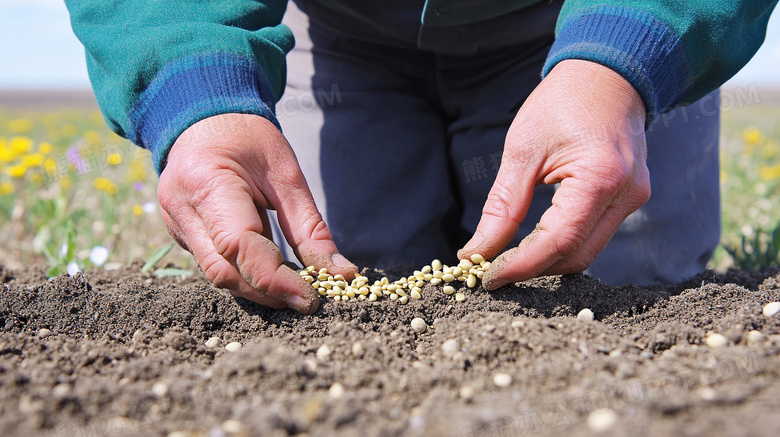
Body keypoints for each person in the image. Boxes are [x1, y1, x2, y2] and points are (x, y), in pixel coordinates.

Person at [66, 0, 778, 314]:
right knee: (342, 276)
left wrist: (623, 60)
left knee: (615, 280)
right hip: (342, 32)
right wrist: (197, 90)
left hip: (585, 22)